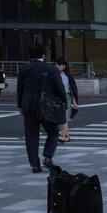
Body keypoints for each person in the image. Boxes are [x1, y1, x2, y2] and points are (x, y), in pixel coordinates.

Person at [17, 44, 68, 173]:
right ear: (43, 55)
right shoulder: (51, 69)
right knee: (53, 132)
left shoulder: (24, 68)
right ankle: (48, 155)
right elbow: (60, 88)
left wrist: (20, 105)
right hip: (47, 106)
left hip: (29, 105)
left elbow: (20, 90)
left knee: (31, 135)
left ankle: (34, 164)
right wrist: (64, 103)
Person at [55, 57, 79, 143]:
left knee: (64, 116)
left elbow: (73, 89)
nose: (57, 66)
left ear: (64, 66)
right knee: (62, 116)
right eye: (56, 64)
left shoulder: (68, 76)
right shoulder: (55, 74)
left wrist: (75, 101)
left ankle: (62, 135)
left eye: (59, 64)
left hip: (67, 96)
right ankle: (67, 135)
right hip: (57, 97)